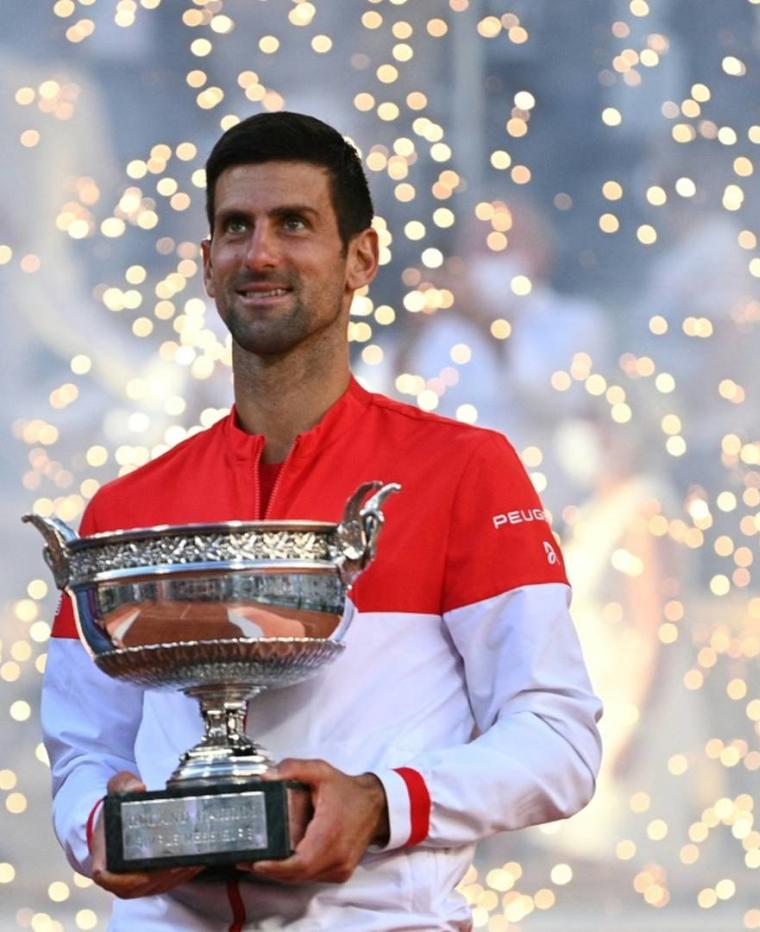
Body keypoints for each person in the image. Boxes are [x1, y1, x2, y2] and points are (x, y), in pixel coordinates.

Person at [40, 111, 603, 930]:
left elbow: (559, 738)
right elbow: (84, 749)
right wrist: (100, 825)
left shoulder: (461, 470)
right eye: (236, 228)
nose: (260, 254)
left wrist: (380, 805)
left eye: (294, 224)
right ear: (206, 265)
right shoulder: (125, 509)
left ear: (360, 259)